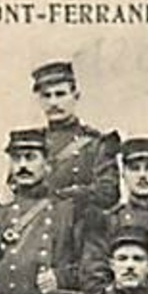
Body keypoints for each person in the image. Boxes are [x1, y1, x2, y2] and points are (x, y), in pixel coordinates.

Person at [0, 128, 82, 294]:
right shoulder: (0, 211)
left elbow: (88, 266)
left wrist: (61, 277)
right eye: (17, 159)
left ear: (47, 163)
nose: (23, 165)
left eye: (30, 157)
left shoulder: (67, 210)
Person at [81, 138, 148, 294]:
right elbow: (94, 279)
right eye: (135, 169)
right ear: (123, 174)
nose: (142, 175)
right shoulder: (109, 221)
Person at [29, 59, 120, 213]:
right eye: (47, 96)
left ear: (75, 96)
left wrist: (61, 195)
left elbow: (108, 193)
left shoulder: (95, 144)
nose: (53, 103)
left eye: (60, 94)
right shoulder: (32, 143)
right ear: (40, 100)